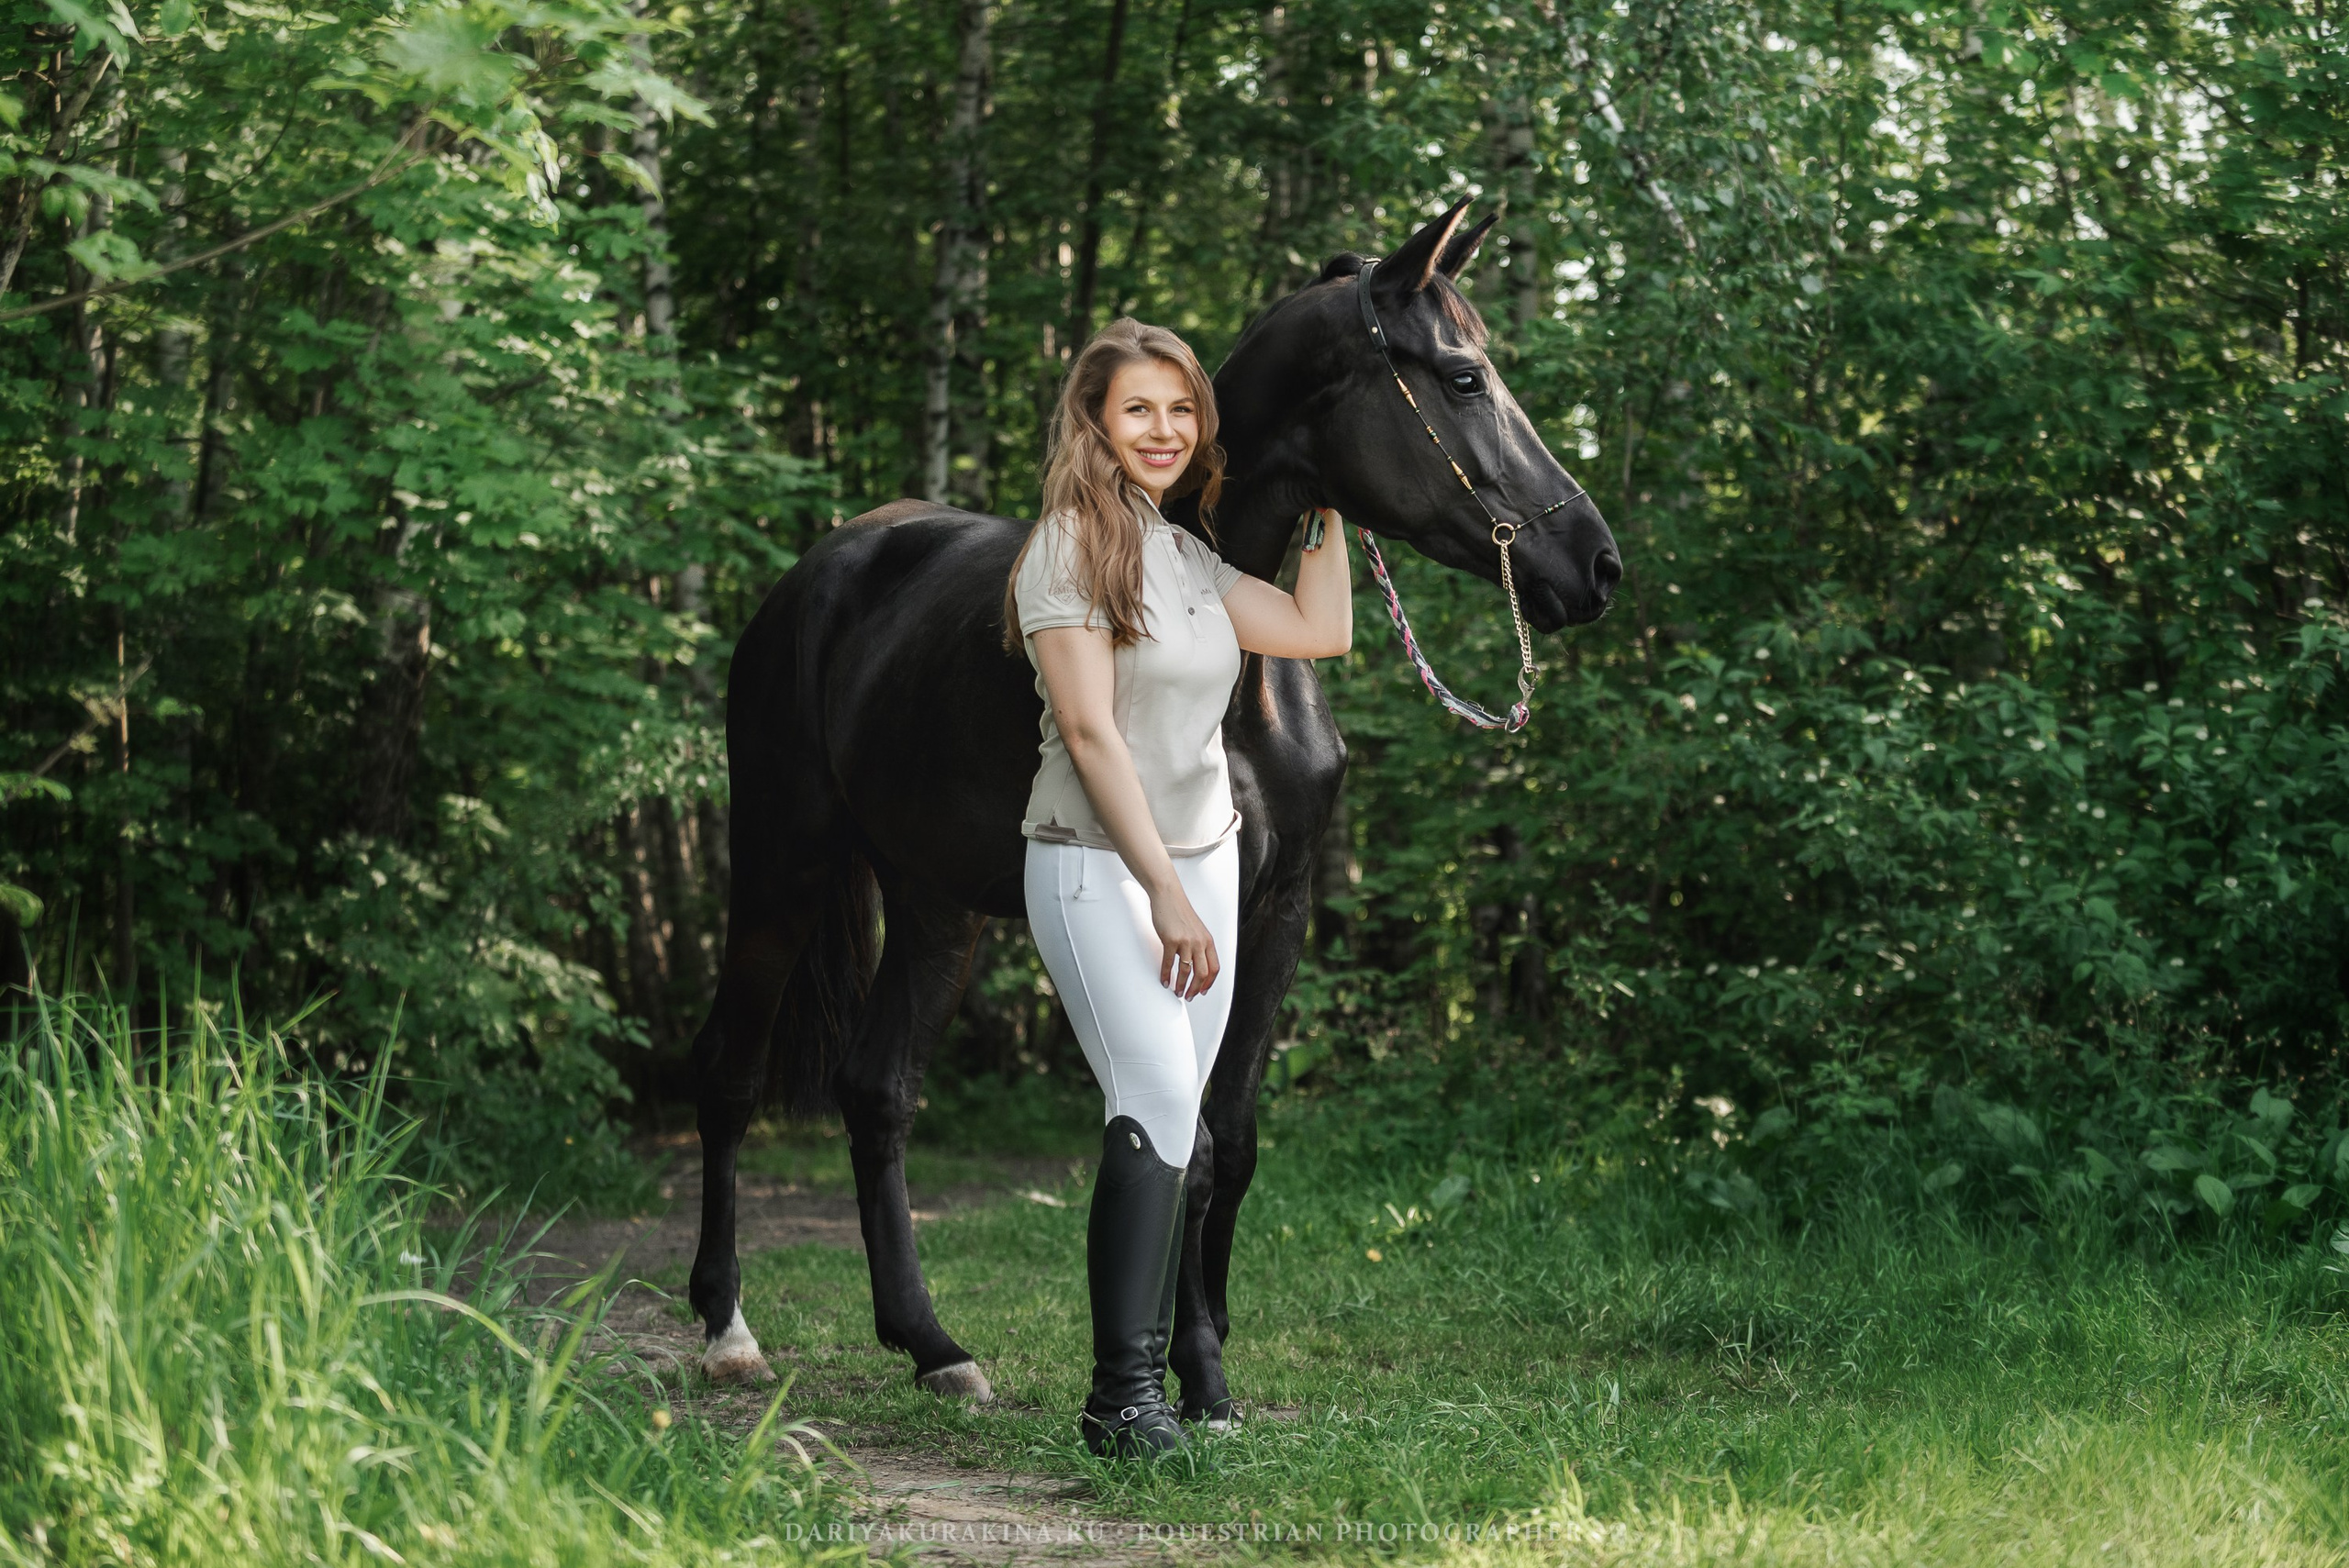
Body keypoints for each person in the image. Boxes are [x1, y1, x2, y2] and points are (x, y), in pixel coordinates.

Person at [1002, 318, 1353, 1459]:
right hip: (1101, 863)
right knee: (1153, 1093)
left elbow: (1319, 629)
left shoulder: (1186, 555)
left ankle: (1140, 1387)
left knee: (1171, 1114)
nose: (1165, 430)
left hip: (1201, 856)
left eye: (1182, 409)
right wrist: (1163, 888)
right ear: (1094, 421)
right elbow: (1093, 737)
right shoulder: (1066, 548)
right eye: (1139, 408)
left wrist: (1333, 511)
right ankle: (1124, 1398)